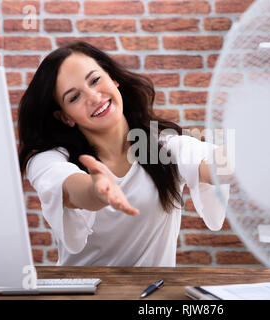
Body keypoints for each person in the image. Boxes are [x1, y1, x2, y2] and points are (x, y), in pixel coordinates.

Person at [18, 41, 230, 267]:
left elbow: (220, 166)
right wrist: (97, 191)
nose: (93, 97)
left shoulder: (165, 148)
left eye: (95, 80)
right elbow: (72, 189)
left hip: (152, 297)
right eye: (74, 97)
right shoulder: (47, 160)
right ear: (65, 117)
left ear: (113, 79)